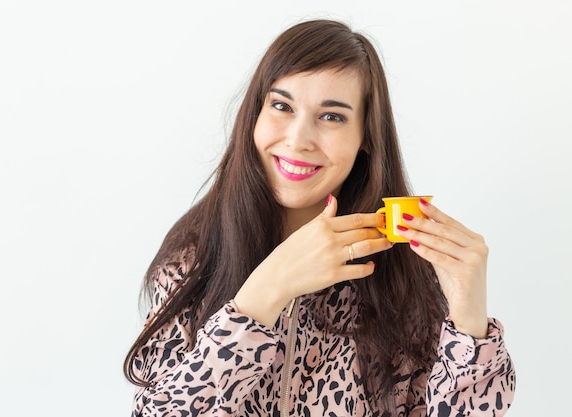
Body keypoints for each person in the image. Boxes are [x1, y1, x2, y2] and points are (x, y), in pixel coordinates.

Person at [124, 19, 515, 417]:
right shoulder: (193, 258)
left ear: (366, 137)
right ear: (254, 115)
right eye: (281, 106)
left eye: (332, 117)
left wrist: (469, 323)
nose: (298, 139)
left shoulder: (402, 273)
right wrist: (261, 296)